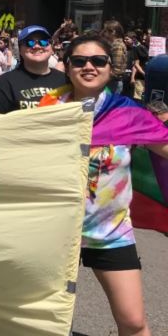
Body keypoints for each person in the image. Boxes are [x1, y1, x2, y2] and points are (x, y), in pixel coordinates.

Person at [39, 33, 168, 336]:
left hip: (110, 233)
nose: (89, 67)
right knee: (45, 323)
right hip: (53, 232)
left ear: (111, 68)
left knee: (134, 323)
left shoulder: (130, 114)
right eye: (79, 60)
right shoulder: (47, 111)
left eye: (98, 61)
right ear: (67, 67)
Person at [0, 25, 66, 114]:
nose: (37, 46)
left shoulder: (66, 80)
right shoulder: (5, 83)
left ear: (51, 47)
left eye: (44, 41)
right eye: (29, 42)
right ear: (20, 50)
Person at [101, 20, 127, 94]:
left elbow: (117, 69)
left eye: (106, 30)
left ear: (113, 32)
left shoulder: (117, 45)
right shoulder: (113, 44)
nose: (105, 33)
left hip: (113, 83)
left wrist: (103, 77)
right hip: (112, 82)